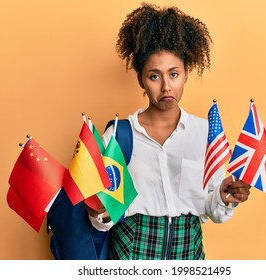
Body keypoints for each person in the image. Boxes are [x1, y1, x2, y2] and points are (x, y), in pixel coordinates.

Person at [88, 3, 251, 260]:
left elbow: (213, 211)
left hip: (188, 248)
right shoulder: (119, 135)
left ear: (186, 74)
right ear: (141, 79)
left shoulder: (205, 133)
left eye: (173, 74)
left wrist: (225, 198)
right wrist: (100, 213)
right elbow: (101, 220)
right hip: (132, 247)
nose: (166, 86)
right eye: (154, 76)